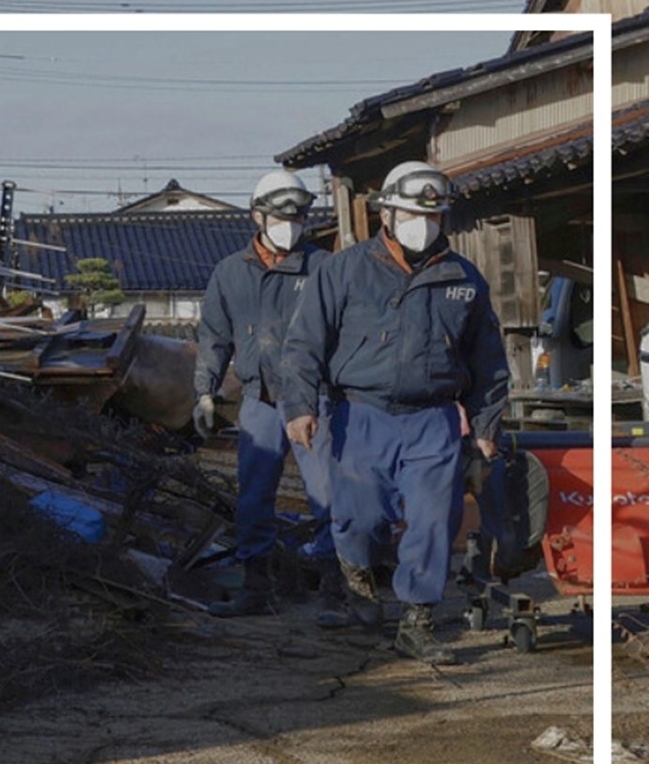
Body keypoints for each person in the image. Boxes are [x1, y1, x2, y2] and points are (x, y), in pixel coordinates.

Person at [280, 161, 510, 665]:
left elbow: (488, 363)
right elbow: (302, 346)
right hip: (360, 415)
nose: (421, 223)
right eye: (410, 212)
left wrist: (486, 430)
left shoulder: (464, 279)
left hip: (433, 419)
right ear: (386, 211)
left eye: (433, 214)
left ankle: (417, 621)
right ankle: (358, 579)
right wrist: (299, 408)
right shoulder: (343, 270)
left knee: (433, 521)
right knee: (359, 521)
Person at [192, 170, 343, 624]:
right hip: (259, 398)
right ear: (257, 215)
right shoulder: (230, 273)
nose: (290, 226)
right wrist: (205, 390)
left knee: (327, 493)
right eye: (281, 217)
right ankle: (257, 587)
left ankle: (338, 590)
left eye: (298, 218)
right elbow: (214, 336)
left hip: (315, 397)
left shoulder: (323, 267)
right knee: (254, 495)